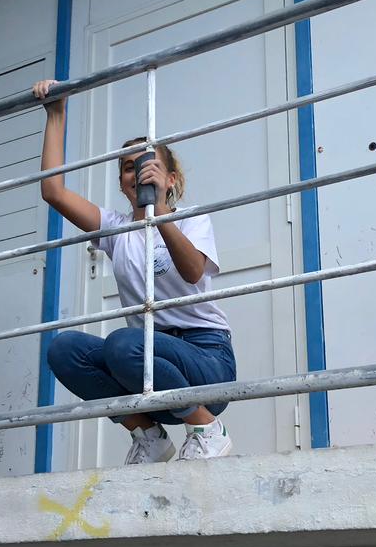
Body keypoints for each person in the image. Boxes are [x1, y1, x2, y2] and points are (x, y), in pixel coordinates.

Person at [33, 78, 236, 464]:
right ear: (122, 183)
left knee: (125, 343)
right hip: (145, 366)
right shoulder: (117, 229)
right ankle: (149, 435)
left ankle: (207, 428)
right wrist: (56, 113)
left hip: (206, 361)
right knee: (64, 349)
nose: (137, 173)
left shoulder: (191, 220)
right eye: (129, 168)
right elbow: (53, 193)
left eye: (148, 165)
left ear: (170, 179)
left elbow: (193, 272)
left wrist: (157, 211)